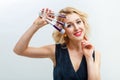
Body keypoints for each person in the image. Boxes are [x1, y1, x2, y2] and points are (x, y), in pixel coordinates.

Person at [13, 7, 101, 80]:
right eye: (69, 25)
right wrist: (35, 25)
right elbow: (19, 50)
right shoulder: (56, 51)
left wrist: (89, 58)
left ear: (84, 23)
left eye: (78, 22)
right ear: (63, 30)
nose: (76, 28)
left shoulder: (95, 54)